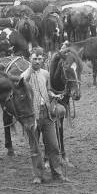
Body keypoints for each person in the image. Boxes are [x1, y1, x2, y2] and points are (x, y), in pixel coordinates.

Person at [22, 47, 68, 183]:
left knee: (53, 145)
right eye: (34, 58)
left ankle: (57, 173)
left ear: (44, 59)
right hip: (32, 116)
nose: (37, 61)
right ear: (30, 59)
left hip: (47, 114)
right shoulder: (25, 75)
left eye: (39, 58)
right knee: (35, 148)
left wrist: (54, 95)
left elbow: (47, 90)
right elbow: (25, 80)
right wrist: (31, 68)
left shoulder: (46, 74)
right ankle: (38, 175)